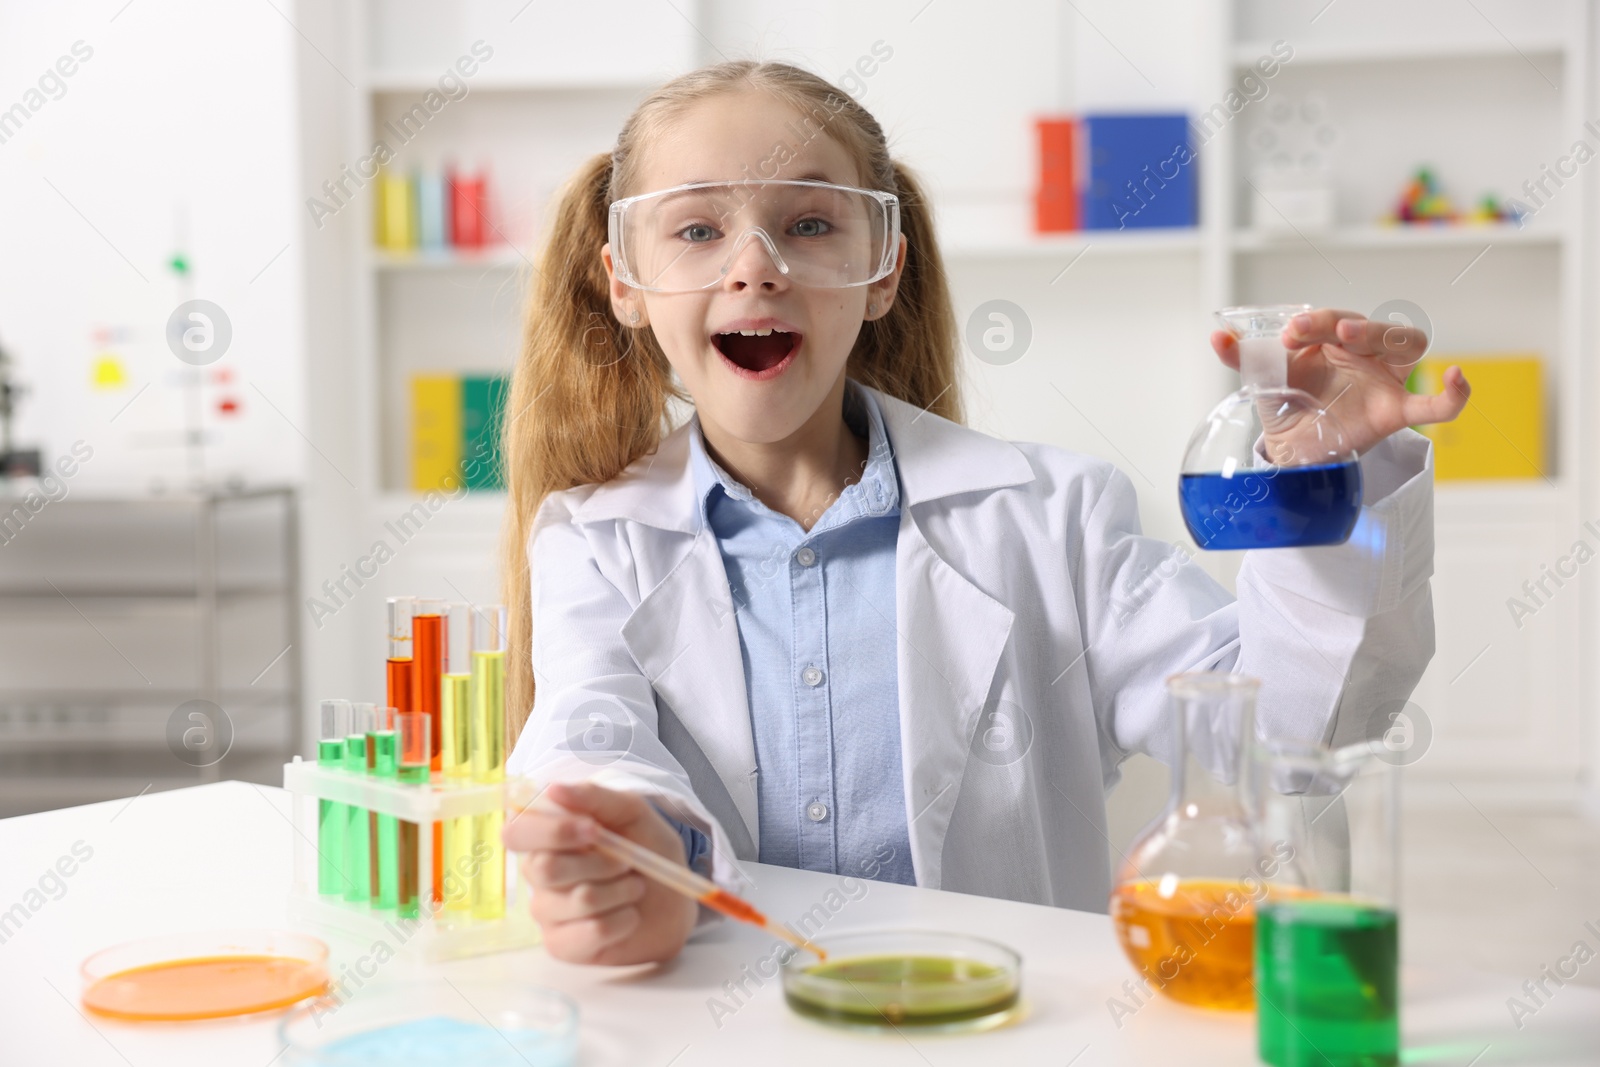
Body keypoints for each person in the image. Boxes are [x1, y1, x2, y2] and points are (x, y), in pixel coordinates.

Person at [498, 61, 1468, 966]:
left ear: (882, 269)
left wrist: (1323, 477)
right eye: (697, 229)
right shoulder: (594, 538)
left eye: (808, 224)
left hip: (1008, 1023)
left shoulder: (1053, 517)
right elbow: (590, 739)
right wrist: (645, 857)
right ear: (626, 283)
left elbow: (1282, 742)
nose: (754, 267)